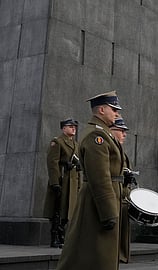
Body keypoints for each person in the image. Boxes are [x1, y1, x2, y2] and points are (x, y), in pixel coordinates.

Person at [56, 91, 126, 270]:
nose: (117, 113)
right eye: (114, 109)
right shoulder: (97, 137)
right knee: (94, 257)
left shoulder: (104, 134)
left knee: (98, 255)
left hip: (105, 201)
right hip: (98, 205)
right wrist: (109, 212)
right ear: (101, 110)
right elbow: (100, 178)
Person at [43, 118, 81, 248]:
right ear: (63, 128)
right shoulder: (57, 142)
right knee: (57, 210)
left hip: (73, 182)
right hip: (62, 180)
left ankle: (63, 235)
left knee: (67, 211)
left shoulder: (76, 144)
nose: (73, 128)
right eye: (70, 126)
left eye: (74, 126)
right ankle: (55, 237)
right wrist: (55, 183)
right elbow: (52, 163)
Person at [109, 117, 137, 263]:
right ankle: (114, 256)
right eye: (121, 131)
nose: (124, 134)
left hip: (123, 195)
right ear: (111, 130)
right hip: (112, 194)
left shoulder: (122, 153)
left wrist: (129, 178)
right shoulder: (108, 149)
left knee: (123, 230)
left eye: (125, 131)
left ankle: (121, 255)